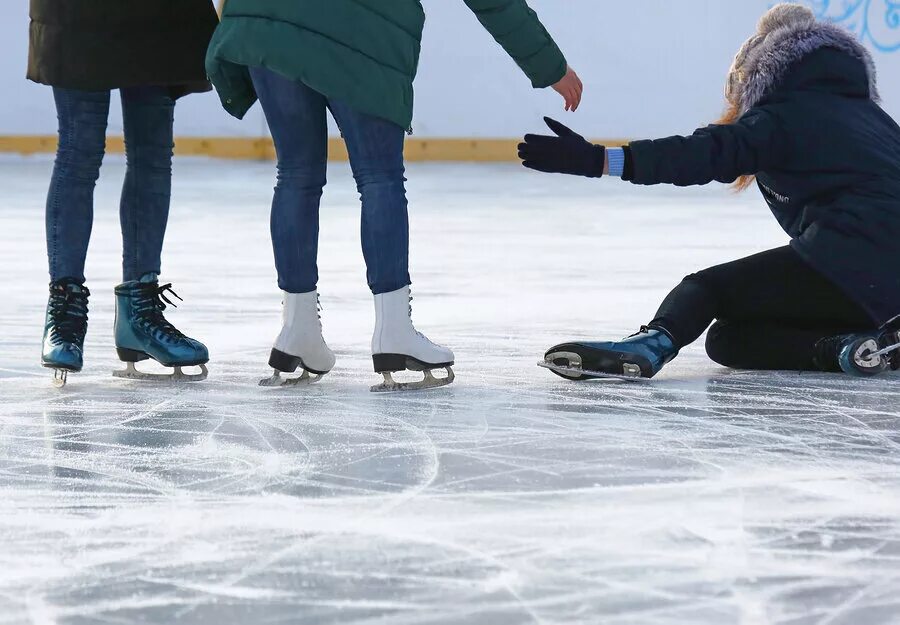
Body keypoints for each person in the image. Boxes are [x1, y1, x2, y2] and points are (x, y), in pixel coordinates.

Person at [206, 0, 583, 391]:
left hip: (267, 22)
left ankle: (296, 330)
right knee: (378, 177)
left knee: (296, 174)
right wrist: (549, 66)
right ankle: (393, 332)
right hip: (362, 27)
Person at [518, 3, 900, 380]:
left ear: (755, 78)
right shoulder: (876, 120)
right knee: (727, 340)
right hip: (880, 285)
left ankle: (650, 344)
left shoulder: (780, 115)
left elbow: (703, 154)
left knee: (704, 289)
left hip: (849, 255)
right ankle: (852, 349)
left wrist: (599, 160)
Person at [28, 0, 219, 387]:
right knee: (79, 150)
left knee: (152, 154)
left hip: (157, 14)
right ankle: (65, 309)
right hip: (77, 11)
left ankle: (140, 310)